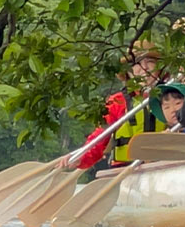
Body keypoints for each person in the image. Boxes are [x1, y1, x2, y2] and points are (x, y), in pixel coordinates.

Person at [64, 41, 169, 169]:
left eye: (150, 62)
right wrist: (80, 157)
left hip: (163, 166)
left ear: (160, 68)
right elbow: (100, 136)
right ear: (128, 72)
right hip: (125, 169)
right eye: (136, 63)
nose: (144, 68)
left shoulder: (172, 95)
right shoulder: (117, 101)